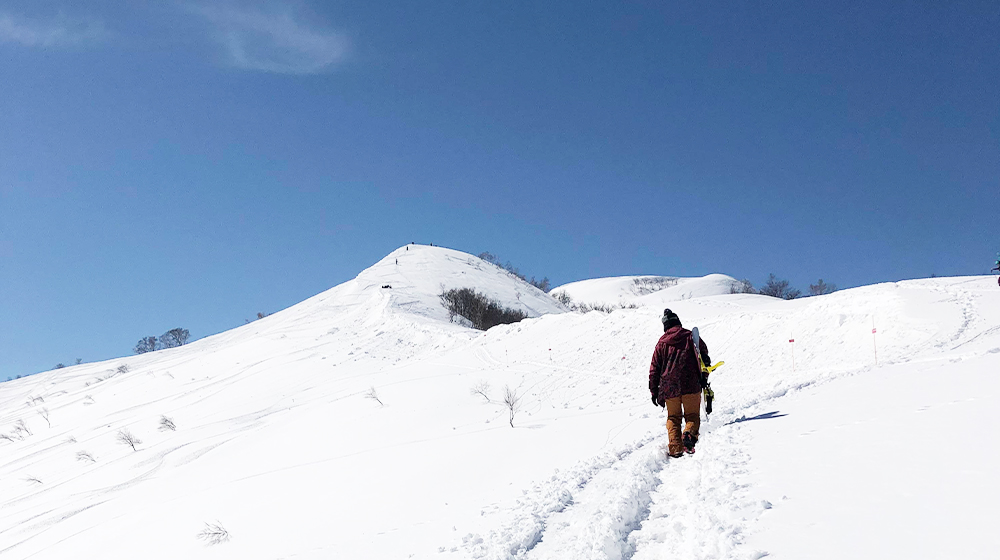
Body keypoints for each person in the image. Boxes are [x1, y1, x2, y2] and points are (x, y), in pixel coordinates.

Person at [648, 309, 711, 458]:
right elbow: (704, 358)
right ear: (678, 322)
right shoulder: (690, 336)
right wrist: (704, 377)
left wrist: (653, 391)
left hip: (669, 388)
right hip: (691, 384)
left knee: (673, 418)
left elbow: (654, 369)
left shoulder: (661, 343)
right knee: (692, 416)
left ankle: (675, 448)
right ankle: (688, 435)